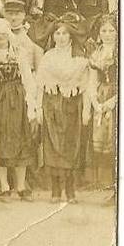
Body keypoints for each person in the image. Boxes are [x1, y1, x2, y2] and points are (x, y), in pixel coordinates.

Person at [35, 16, 92, 204]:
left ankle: (70, 189)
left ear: (71, 36)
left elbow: (86, 85)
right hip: (52, 103)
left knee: (70, 145)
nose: (60, 37)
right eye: (57, 33)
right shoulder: (48, 56)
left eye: (64, 33)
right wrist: (37, 109)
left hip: (72, 105)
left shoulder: (80, 58)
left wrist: (86, 111)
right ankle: (56, 189)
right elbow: (40, 84)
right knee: (52, 145)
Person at [0, 18, 37, 200]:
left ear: (9, 33)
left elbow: (28, 78)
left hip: (17, 98)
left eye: (4, 32)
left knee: (20, 138)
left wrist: (31, 104)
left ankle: (20, 186)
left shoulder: (19, 52)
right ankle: (4, 185)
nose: (1, 36)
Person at [87, 15, 117, 191]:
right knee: (101, 140)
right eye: (104, 31)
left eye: (111, 31)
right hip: (101, 97)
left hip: (116, 96)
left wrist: (113, 102)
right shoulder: (96, 54)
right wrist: (95, 102)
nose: (107, 34)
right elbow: (92, 81)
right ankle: (104, 183)